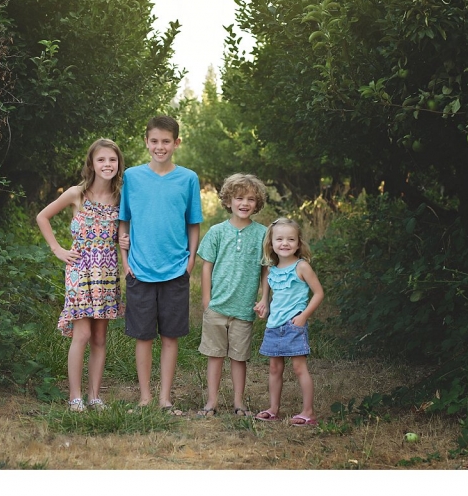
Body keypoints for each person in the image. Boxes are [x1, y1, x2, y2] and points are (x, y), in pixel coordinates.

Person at [118, 115, 203, 413]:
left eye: (166, 141)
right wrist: (125, 260)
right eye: (154, 141)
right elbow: (124, 220)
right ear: (146, 142)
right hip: (139, 269)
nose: (160, 146)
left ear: (176, 143)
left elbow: (193, 223)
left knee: (170, 336)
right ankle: (145, 397)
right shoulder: (132, 176)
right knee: (143, 336)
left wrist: (191, 260)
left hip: (175, 269)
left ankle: (165, 398)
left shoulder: (188, 179)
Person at [36, 138, 127, 411]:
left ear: (119, 164)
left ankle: (94, 396)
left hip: (107, 270)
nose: (107, 164)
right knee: (82, 334)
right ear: (92, 164)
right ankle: (75, 396)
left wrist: (126, 241)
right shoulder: (77, 193)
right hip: (79, 269)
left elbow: (126, 231)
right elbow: (43, 216)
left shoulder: (121, 197)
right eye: (101, 160)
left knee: (100, 336)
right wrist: (57, 249)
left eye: (112, 160)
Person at [196, 173, 269, 417]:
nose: (244, 203)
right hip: (217, 306)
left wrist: (264, 299)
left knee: (239, 358)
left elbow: (265, 269)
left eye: (250, 199)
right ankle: (212, 402)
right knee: (215, 356)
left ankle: (239, 403)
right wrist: (206, 300)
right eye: (239, 198)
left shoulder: (262, 234)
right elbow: (206, 266)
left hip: (244, 308)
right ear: (228, 201)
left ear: (257, 204)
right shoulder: (217, 232)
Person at [254, 217, 324, 425]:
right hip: (274, 325)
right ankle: (274, 409)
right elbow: (266, 292)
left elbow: (319, 293)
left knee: (299, 368)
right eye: (280, 239)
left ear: (298, 243)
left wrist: (303, 317)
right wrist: (263, 303)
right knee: (274, 369)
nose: (285, 243)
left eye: (291, 239)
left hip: (293, 325)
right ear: (271, 243)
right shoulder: (270, 268)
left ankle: (308, 412)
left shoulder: (302, 267)